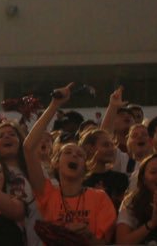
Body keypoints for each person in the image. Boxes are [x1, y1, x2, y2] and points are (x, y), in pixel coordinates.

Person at [25, 83, 118, 244]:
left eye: (80, 155)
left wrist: (87, 236)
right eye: (67, 152)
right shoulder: (48, 194)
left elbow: (105, 243)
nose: (74, 155)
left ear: (86, 166)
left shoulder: (99, 198)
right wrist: (55, 104)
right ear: (56, 163)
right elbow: (28, 147)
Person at [115, 154, 157, 244]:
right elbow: (122, 242)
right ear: (143, 179)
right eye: (154, 172)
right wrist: (151, 223)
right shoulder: (131, 202)